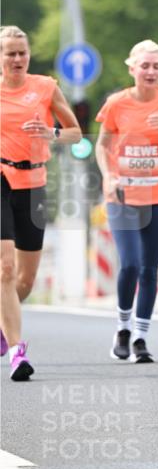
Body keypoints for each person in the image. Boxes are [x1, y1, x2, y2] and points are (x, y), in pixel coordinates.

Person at [95, 40, 158, 364]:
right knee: (130, 264)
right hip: (122, 197)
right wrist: (109, 175)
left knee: (150, 269)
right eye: (145, 66)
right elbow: (101, 146)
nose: (150, 72)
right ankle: (123, 328)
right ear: (132, 68)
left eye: (156, 66)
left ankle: (141, 336)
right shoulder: (116, 104)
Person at [0, 25, 82, 381]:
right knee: (4, 269)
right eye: (10, 53)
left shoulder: (46, 87)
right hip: (2, 177)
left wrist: (54, 134)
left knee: (25, 280)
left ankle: (4, 327)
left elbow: (76, 132)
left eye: (22, 52)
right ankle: (17, 354)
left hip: (34, 183)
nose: (17, 59)